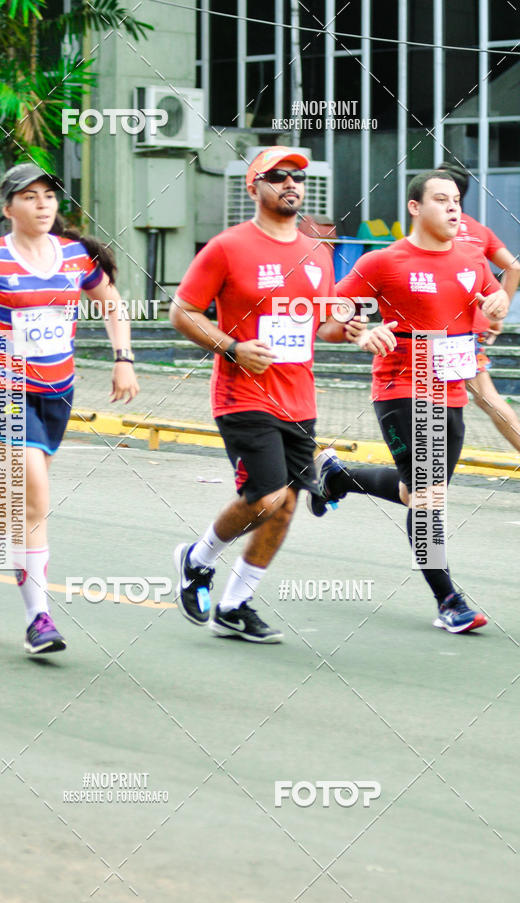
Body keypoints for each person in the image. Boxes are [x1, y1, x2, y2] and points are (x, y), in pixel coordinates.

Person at [0, 162, 139, 654]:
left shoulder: (76, 256)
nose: (42, 205)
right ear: (8, 208)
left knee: (11, 502)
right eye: (30, 197)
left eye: (48, 196)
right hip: (0, 387)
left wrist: (123, 359)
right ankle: (38, 619)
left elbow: (112, 304)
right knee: (34, 497)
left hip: (57, 392)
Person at [308, 169, 509, 634]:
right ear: (415, 207)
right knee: (426, 496)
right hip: (402, 388)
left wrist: (497, 301)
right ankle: (449, 601)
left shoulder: (471, 257)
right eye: (441, 199)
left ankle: (340, 478)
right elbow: (330, 313)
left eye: (456, 199)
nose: (453, 207)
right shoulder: (385, 261)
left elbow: (491, 292)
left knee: (411, 492)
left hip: (451, 388)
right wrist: (362, 328)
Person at [169, 145, 350, 643]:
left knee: (287, 506)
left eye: (298, 177)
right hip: (242, 396)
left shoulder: (317, 251)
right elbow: (183, 312)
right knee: (265, 497)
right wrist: (231, 347)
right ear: (254, 186)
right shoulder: (227, 247)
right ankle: (197, 558)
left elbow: (324, 326)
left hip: (300, 401)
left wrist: (353, 326)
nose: (291, 184)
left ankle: (235, 604)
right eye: (278, 176)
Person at [436, 161, 520, 451]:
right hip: (472, 329)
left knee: (480, 397)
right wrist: (500, 311)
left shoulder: (430, 231)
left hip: (442, 333)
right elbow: (514, 268)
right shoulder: (479, 230)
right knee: (483, 398)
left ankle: (420, 478)